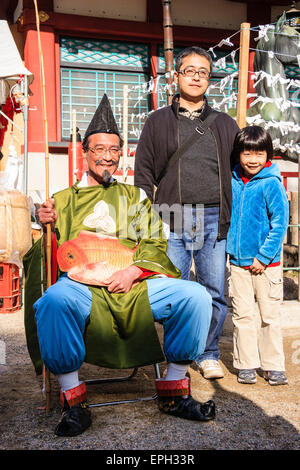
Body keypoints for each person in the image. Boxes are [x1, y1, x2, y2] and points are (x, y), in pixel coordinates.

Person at [25, 94, 216, 437]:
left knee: (195, 296)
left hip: (134, 280)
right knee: (53, 301)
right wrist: (43, 222)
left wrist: (132, 271)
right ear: (85, 152)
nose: (107, 157)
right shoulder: (63, 200)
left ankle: (173, 392)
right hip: (83, 286)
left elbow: (156, 240)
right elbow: (50, 252)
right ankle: (73, 399)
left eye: (114, 150)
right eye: (99, 149)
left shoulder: (134, 196)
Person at [134, 46, 239, 380]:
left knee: (213, 289)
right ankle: (178, 353)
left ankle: (207, 353)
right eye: (189, 70)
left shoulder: (224, 123)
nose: (196, 77)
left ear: (209, 80)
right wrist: (143, 223)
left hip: (213, 217)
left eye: (203, 72)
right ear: (176, 76)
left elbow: (243, 169)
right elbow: (143, 175)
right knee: (173, 289)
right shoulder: (157, 122)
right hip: (172, 215)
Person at [226, 126, 289, 386]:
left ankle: (273, 365)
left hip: (267, 264)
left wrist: (263, 257)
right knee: (242, 315)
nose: (252, 159)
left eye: (259, 153)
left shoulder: (271, 184)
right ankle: (246, 363)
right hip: (239, 263)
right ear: (238, 154)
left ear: (268, 155)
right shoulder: (231, 181)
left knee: (269, 315)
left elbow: (280, 224)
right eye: (247, 153)